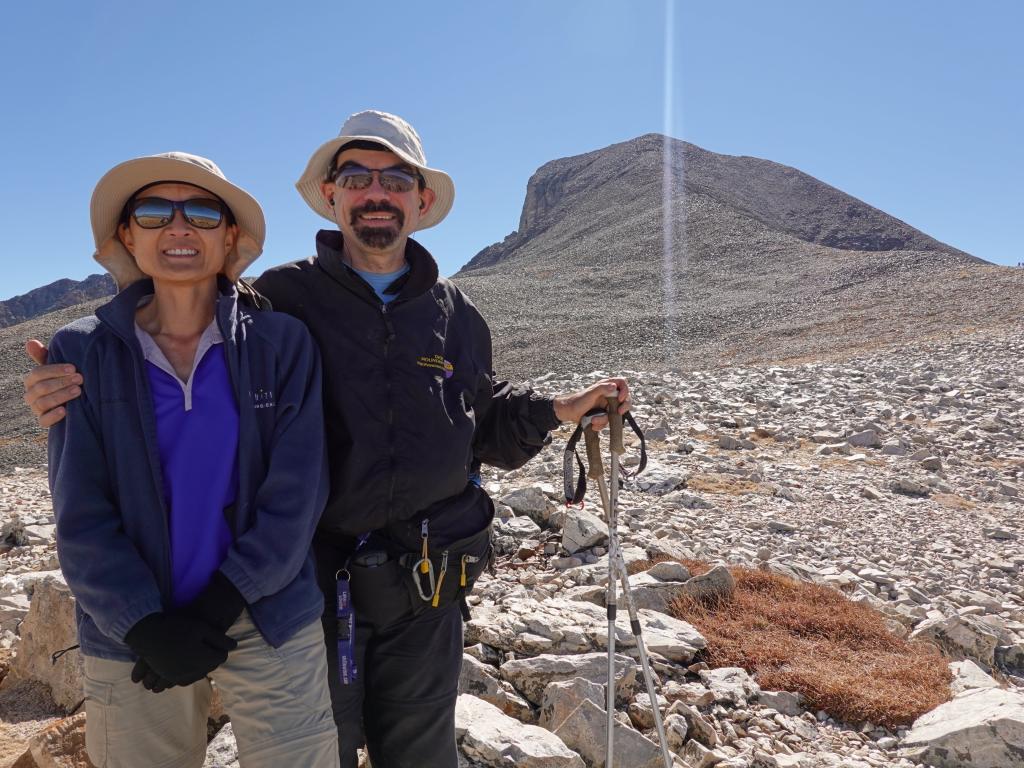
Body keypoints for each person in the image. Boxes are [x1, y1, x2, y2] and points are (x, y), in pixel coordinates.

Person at [25, 111, 630, 768]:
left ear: (420, 201)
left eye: (395, 179)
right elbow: (184, 309)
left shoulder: (458, 317)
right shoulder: (278, 301)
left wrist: (559, 410)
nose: (376, 192)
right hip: (315, 580)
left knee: (422, 751)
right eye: (356, 177)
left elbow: (479, 423)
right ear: (331, 196)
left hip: (428, 585)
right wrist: (68, 379)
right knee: (327, 748)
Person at [43, 152, 339, 768]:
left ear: (229, 235)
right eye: (153, 212)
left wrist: (220, 603)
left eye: (202, 213)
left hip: (267, 615)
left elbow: (297, 492)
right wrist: (142, 623)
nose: (178, 228)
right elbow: (80, 509)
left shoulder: (281, 344)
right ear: (127, 235)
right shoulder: (80, 352)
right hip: (133, 632)